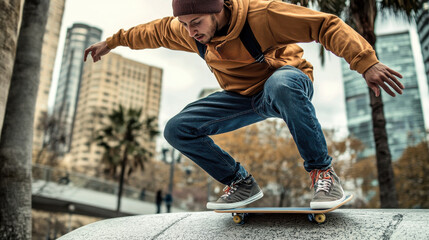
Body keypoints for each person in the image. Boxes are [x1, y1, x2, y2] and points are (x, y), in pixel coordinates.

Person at [84, 0, 404, 210]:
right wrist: (111, 42)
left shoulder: (262, 15)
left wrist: (365, 62)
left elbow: (325, 25)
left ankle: (324, 174)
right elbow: (148, 33)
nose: (191, 32)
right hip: (241, 97)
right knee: (177, 129)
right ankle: (240, 182)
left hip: (285, 83)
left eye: (196, 22)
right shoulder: (186, 31)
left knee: (280, 84)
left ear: (219, 8)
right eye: (184, 24)